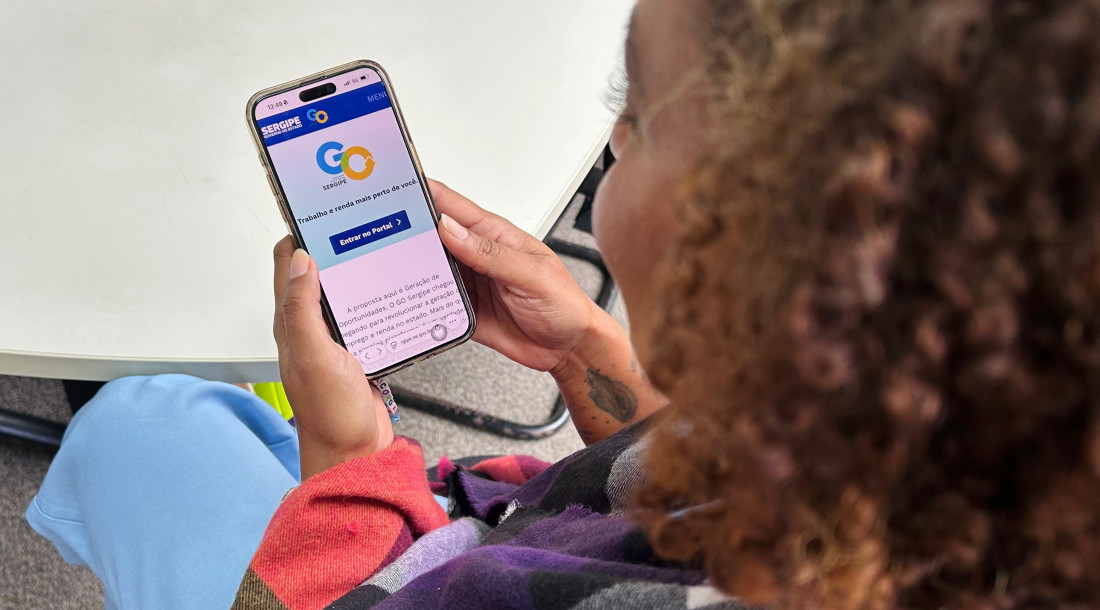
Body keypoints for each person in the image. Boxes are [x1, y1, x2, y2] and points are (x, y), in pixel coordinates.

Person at [27, 0, 1100, 607]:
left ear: (759, 241)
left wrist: (344, 464)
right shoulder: (935, 456)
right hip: (494, 514)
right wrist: (592, 353)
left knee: (137, 423)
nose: (615, 144)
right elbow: (693, 474)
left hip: (388, 565)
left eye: (636, 114)